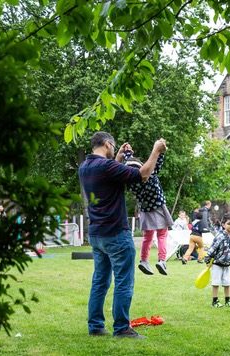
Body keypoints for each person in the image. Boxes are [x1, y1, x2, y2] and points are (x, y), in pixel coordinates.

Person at [79, 131, 166, 338]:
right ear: (107, 144)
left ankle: (96, 326)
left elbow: (110, 175)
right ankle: (121, 328)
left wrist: (117, 157)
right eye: (113, 147)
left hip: (97, 234)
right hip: (116, 233)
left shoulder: (85, 167)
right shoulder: (107, 167)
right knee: (123, 281)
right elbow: (144, 174)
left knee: (100, 281)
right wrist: (156, 150)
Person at [123, 151, 173, 276]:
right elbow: (158, 161)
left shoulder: (131, 184)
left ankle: (144, 260)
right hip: (158, 208)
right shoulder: (150, 175)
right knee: (162, 235)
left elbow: (130, 163)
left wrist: (127, 153)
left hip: (145, 211)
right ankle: (162, 261)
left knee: (147, 237)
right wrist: (160, 150)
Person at [204, 213, 230, 307]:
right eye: (229, 223)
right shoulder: (220, 236)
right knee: (216, 283)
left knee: (227, 283)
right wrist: (207, 259)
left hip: (227, 264)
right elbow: (212, 248)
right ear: (223, 225)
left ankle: (227, 300)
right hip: (217, 264)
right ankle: (214, 301)